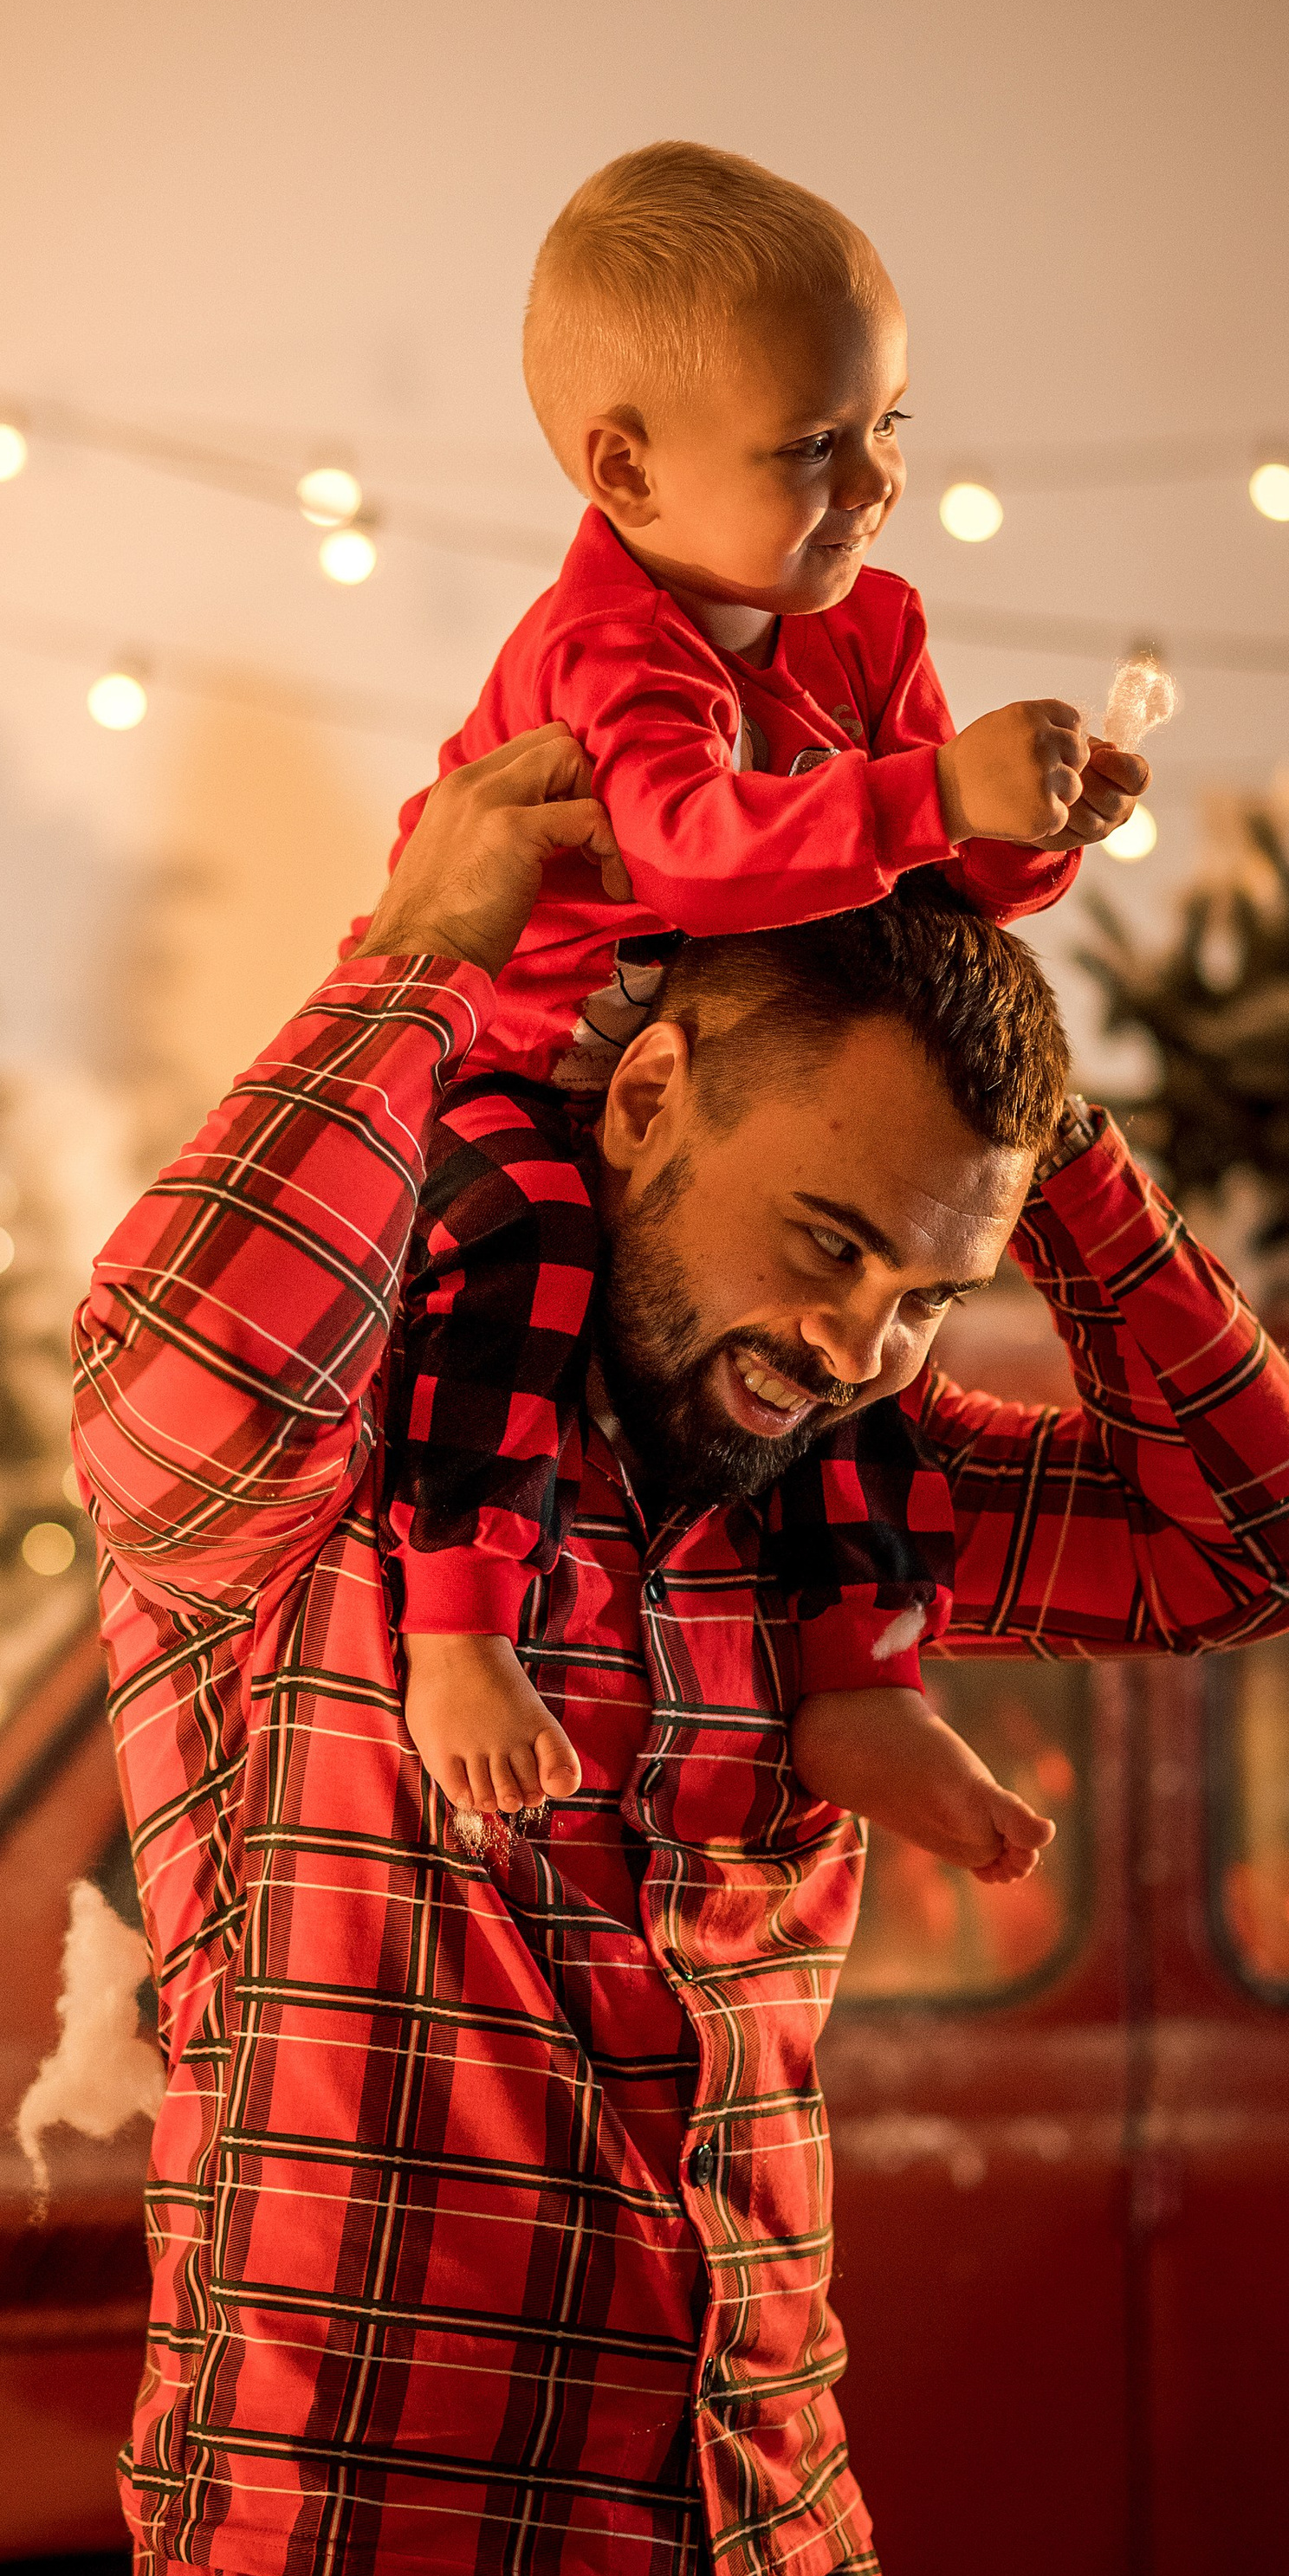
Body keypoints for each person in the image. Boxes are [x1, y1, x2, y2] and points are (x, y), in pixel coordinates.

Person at [73, 730, 1289, 2576]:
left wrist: (1044, 1147)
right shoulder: (335, 1468)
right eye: (827, 1236)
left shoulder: (841, 1486)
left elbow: (1267, 1536)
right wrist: (420, 956)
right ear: (653, 1096)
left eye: (920, 1288)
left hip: (759, 2566)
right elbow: (175, 1369)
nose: (860, 1338)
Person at [375, 142, 1154, 1882]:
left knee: (851, 1310)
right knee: (523, 1253)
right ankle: (454, 1623)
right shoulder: (610, 651)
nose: (872, 482)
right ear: (625, 465)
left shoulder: (865, 627)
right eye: (815, 444)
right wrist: (932, 791)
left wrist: (1025, 833)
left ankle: (858, 1668)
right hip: (520, 1060)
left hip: (721, 1078)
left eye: (888, 425)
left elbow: (919, 887)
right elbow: (702, 853)